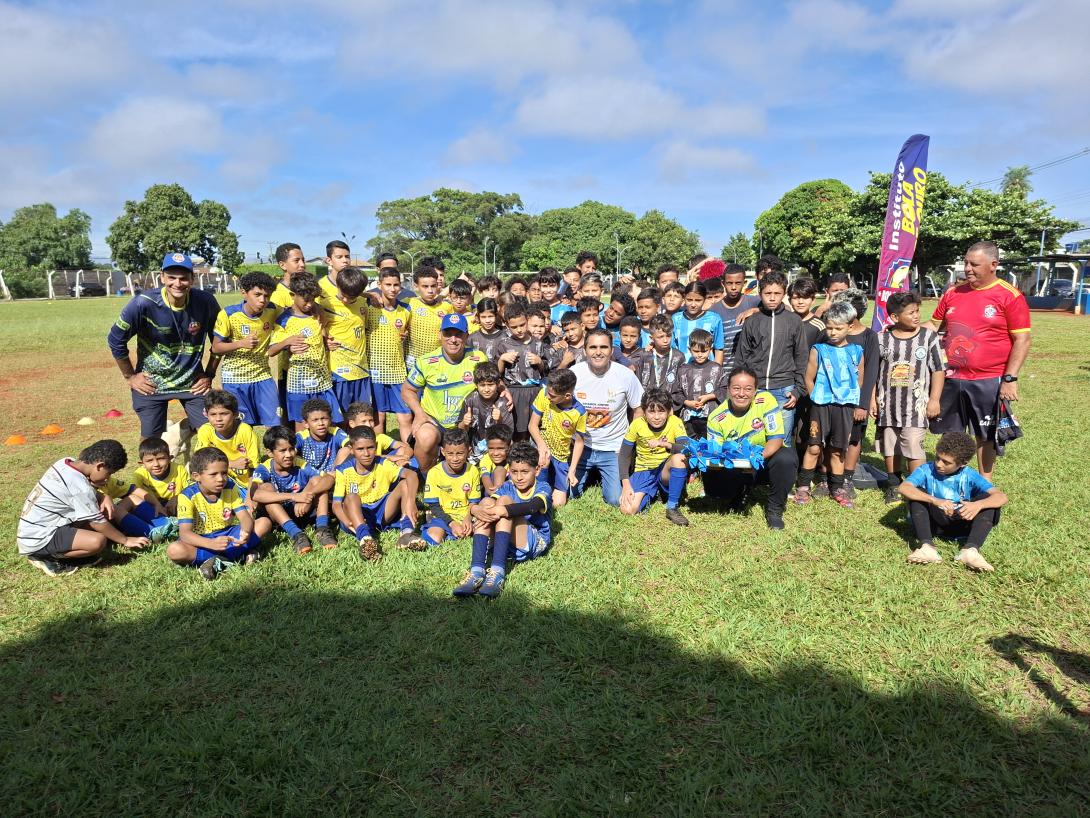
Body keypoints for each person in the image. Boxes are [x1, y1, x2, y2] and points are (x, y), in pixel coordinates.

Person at [926, 240, 1031, 481]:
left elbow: (1022, 340)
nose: (967, 268)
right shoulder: (953, 293)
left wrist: (1010, 378)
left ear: (994, 264)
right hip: (950, 377)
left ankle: (985, 481)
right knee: (949, 433)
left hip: (987, 379)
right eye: (965, 263)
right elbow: (933, 326)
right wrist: (899, 331)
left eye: (974, 264)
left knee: (985, 434)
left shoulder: (1010, 296)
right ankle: (948, 477)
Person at [107, 252, 221, 439]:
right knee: (151, 446)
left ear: (192, 279)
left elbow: (219, 340)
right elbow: (115, 339)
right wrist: (130, 376)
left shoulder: (205, 302)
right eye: (172, 278)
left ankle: (183, 432)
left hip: (192, 385)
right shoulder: (143, 304)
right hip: (152, 385)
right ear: (162, 277)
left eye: (184, 278)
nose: (177, 283)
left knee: (212, 435)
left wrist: (209, 374)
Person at [17, 439, 148, 576]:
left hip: (36, 528)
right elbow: (97, 522)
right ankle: (47, 557)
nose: (108, 479)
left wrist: (103, 497)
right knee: (97, 542)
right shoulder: (81, 488)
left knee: (103, 516)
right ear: (100, 466)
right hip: (39, 537)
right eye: (109, 473)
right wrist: (125, 540)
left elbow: (77, 491)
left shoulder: (65, 462)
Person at [873, 291, 945, 504]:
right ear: (895, 317)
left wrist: (934, 399)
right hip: (887, 405)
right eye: (911, 312)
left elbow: (938, 370)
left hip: (916, 405)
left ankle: (917, 486)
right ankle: (894, 484)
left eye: (917, 311)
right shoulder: (881, 339)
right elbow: (873, 372)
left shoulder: (928, 337)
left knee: (913, 443)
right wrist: (872, 399)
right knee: (891, 445)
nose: (916, 316)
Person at [897, 431, 1007, 572]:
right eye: (937, 458)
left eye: (946, 462)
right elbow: (904, 487)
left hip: (963, 522)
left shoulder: (969, 474)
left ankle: (970, 551)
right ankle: (927, 548)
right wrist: (935, 500)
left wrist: (977, 505)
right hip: (935, 523)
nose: (938, 464)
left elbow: (1001, 496)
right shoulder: (926, 470)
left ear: (962, 463)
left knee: (989, 500)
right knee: (917, 496)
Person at [455, 441, 552, 599]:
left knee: (504, 502)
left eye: (525, 472)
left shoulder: (543, 487)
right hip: (507, 545)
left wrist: (503, 509)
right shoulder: (507, 485)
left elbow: (533, 506)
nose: (519, 477)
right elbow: (489, 505)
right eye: (514, 472)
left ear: (537, 470)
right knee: (487, 502)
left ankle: (497, 573)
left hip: (532, 543)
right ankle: (477, 572)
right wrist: (475, 509)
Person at [705, 367, 798, 530]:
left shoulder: (766, 400)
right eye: (736, 388)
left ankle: (775, 509)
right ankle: (738, 493)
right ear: (728, 389)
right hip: (734, 464)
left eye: (748, 389)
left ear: (755, 391)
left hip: (763, 459)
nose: (742, 393)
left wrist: (754, 459)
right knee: (714, 486)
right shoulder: (716, 418)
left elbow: (776, 439)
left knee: (787, 458)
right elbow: (715, 453)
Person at [793, 302, 864, 509]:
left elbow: (859, 379)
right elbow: (808, 377)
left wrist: (852, 399)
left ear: (849, 327)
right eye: (829, 327)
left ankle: (837, 487)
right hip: (820, 406)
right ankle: (804, 486)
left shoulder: (857, 351)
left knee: (837, 450)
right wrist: (816, 396)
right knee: (814, 446)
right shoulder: (819, 350)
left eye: (838, 328)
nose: (832, 332)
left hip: (845, 407)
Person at [166, 447, 272, 581]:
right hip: (201, 540)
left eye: (224, 473)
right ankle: (239, 555)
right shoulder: (187, 495)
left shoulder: (230, 487)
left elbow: (244, 516)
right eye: (213, 474)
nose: (220, 479)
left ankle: (217, 560)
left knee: (264, 523)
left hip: (227, 536)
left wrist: (245, 530)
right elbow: (185, 534)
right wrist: (211, 544)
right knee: (174, 550)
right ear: (196, 476)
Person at [403, 313, 488, 473]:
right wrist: (419, 414)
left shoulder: (478, 358)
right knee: (425, 437)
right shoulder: (426, 361)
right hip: (435, 422)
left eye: (458, 334)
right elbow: (408, 390)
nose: (453, 339)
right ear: (440, 335)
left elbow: (491, 381)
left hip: (467, 424)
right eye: (448, 334)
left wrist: (504, 391)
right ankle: (428, 475)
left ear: (467, 336)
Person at [571, 328, 645, 507]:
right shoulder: (574, 374)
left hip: (613, 448)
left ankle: (607, 474)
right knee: (569, 495)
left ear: (612, 350)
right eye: (593, 347)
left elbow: (638, 410)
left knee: (614, 499)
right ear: (584, 350)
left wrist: (629, 445)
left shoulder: (626, 375)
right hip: (581, 448)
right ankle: (590, 475)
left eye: (603, 347)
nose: (598, 352)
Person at [332, 426, 423, 561]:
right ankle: (365, 539)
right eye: (360, 449)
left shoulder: (383, 464)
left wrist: (410, 502)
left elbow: (411, 475)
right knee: (351, 497)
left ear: (376, 446)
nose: (366, 453)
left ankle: (406, 533)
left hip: (382, 511)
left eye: (370, 447)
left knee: (404, 484)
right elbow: (336, 504)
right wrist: (347, 522)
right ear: (351, 450)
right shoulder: (343, 470)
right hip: (357, 515)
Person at [735, 271, 807, 438]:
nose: (772, 298)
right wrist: (742, 388)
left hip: (784, 389)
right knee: (754, 437)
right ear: (760, 293)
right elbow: (742, 357)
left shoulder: (794, 320)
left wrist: (798, 390)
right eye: (768, 293)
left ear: (784, 293)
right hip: (756, 389)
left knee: (782, 439)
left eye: (777, 293)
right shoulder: (752, 321)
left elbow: (801, 356)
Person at [268, 272, 342, 427]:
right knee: (302, 425)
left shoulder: (318, 313)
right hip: (298, 382)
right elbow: (272, 350)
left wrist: (326, 343)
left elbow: (321, 336)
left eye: (313, 300)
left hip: (322, 378)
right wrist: (287, 342)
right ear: (292, 295)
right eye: (306, 300)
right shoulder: (284, 319)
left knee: (329, 422)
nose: (310, 304)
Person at [251, 425, 336, 553]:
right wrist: (294, 496)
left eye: (291, 449)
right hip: (279, 517)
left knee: (318, 481)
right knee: (266, 488)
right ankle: (297, 535)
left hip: (302, 511)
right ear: (269, 453)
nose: (289, 455)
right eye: (282, 451)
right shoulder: (264, 468)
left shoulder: (300, 463)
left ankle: (323, 529)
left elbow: (329, 479)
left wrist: (308, 494)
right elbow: (255, 494)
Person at [211, 271, 281, 426]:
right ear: (244, 293)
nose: (263, 300)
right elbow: (216, 347)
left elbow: (294, 313)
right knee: (243, 426)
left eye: (267, 295)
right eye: (257, 294)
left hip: (262, 376)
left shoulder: (273, 310)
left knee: (274, 423)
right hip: (235, 379)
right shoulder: (229, 314)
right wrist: (240, 343)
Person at [618, 388, 691, 526]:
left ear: (669, 411)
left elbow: (687, 449)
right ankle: (654, 493)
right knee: (627, 509)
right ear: (644, 413)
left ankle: (672, 507)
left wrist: (664, 444)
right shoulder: (637, 424)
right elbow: (624, 455)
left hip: (665, 471)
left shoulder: (675, 421)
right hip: (644, 470)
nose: (656, 417)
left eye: (661, 411)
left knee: (679, 458)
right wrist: (626, 484)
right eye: (651, 412)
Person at [366, 265, 413, 444]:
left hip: (398, 371)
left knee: (405, 416)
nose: (392, 289)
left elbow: (407, 333)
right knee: (378, 417)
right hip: (375, 371)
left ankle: (408, 453)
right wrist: (368, 294)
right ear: (379, 284)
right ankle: (380, 453)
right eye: (388, 285)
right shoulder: (369, 307)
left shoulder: (406, 310)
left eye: (396, 285)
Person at [528, 368, 587, 508]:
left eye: (553, 396)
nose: (548, 397)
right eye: (548, 393)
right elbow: (532, 425)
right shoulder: (544, 394)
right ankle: (538, 488)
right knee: (542, 463)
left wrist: (572, 471)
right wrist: (542, 446)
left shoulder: (579, 412)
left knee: (558, 503)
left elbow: (579, 442)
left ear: (567, 396)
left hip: (560, 457)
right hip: (540, 449)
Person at [320, 266, 373, 419]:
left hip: (361, 370)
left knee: (362, 416)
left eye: (351, 298)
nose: (345, 300)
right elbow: (315, 330)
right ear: (337, 285)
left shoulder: (364, 302)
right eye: (343, 295)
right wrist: (325, 341)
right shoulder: (324, 305)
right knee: (340, 418)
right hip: (338, 372)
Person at [495, 302, 554, 438]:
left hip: (535, 392)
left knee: (537, 430)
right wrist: (501, 359)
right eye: (514, 327)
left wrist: (539, 362)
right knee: (517, 431)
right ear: (507, 325)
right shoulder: (504, 344)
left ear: (527, 320)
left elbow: (546, 370)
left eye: (522, 325)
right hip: (514, 392)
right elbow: (497, 374)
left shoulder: (538, 344)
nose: (519, 330)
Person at [122, 436, 190, 542]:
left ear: (170, 458)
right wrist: (155, 504)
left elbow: (190, 490)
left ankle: (170, 527)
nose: (156, 464)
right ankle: (159, 529)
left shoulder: (179, 469)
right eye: (149, 461)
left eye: (161, 459)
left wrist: (177, 498)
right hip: (152, 510)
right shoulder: (140, 474)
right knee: (130, 502)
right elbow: (135, 495)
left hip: (174, 508)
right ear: (142, 464)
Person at [422, 427, 482, 546]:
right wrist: (452, 523)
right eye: (450, 454)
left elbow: (474, 502)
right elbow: (434, 506)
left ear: (469, 451)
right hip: (443, 517)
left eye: (460, 453)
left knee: (484, 531)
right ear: (443, 451)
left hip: (467, 516)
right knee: (434, 537)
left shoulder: (473, 471)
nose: (455, 458)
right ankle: (449, 531)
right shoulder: (434, 472)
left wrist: (468, 519)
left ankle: (456, 533)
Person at [194, 389, 261, 490]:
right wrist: (232, 463)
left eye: (224, 414)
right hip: (216, 483)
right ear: (206, 415)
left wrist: (250, 496)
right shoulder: (205, 430)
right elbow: (200, 462)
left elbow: (254, 468)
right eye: (213, 414)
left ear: (235, 414)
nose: (218, 419)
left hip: (244, 485)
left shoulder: (245, 431)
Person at [671, 329, 725, 439]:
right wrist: (687, 402)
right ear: (689, 350)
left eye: (704, 351)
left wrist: (709, 397)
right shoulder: (683, 370)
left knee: (710, 446)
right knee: (690, 447)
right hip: (689, 419)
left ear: (710, 350)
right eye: (696, 351)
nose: (700, 355)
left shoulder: (717, 368)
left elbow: (725, 389)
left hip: (711, 417)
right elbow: (676, 392)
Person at [709, 263, 760, 369]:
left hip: (749, 371)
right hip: (724, 371)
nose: (733, 287)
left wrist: (756, 310)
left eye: (738, 283)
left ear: (744, 283)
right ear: (723, 283)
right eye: (729, 283)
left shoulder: (754, 302)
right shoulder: (714, 310)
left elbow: (782, 309)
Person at [458, 361, 514, 454]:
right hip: (473, 449)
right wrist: (464, 423)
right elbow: (460, 431)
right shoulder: (470, 400)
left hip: (495, 451)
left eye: (490, 385)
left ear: (498, 384)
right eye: (482, 385)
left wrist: (499, 421)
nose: (487, 389)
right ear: (476, 385)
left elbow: (509, 437)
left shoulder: (503, 404)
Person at [406, 266, 452, 371]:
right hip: (413, 363)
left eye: (433, 286)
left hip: (438, 362)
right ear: (416, 286)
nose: (430, 290)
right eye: (425, 286)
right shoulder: (408, 303)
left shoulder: (447, 307)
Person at [344, 401, 415, 466]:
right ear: (352, 424)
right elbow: (362, 458)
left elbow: (407, 447)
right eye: (364, 421)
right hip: (361, 473)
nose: (369, 425)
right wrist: (392, 457)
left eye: (371, 420)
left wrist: (404, 457)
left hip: (380, 469)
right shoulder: (349, 440)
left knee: (403, 450)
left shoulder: (379, 437)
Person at [672, 282, 725, 363]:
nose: (693, 304)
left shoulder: (714, 319)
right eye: (689, 300)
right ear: (684, 298)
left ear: (704, 299)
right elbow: (672, 348)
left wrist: (717, 371)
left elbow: (719, 349)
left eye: (698, 300)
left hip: (707, 371)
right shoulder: (676, 319)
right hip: (682, 370)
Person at [294, 398, 350, 474]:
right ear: (306, 424)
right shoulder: (301, 437)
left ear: (330, 420)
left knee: (347, 449)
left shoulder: (335, 432)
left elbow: (349, 444)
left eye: (324, 419)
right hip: (310, 476)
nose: (321, 423)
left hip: (332, 475)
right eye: (315, 420)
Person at [632, 313, 684, 391]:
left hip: (670, 402)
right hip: (647, 401)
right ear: (651, 338)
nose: (665, 340)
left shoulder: (678, 357)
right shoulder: (645, 356)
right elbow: (637, 382)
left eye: (668, 335)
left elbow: (681, 386)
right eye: (660, 337)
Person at [271, 242, 306, 309]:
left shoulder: (309, 289)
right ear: (282, 265)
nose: (302, 264)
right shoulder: (277, 295)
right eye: (296, 260)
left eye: (303, 260)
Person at [479, 423, 513, 494]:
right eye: (491, 448)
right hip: (492, 496)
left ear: (509, 446)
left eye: (500, 448)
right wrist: (496, 493)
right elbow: (488, 485)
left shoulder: (514, 458)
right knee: (499, 469)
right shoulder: (486, 459)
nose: (495, 453)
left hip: (511, 495)